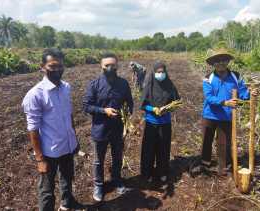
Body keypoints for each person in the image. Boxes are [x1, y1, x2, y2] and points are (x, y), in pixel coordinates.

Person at [22, 48, 83, 211]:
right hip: (49, 151)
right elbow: (33, 129)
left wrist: (74, 139)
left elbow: (69, 115)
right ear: (42, 67)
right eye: (52, 66)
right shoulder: (35, 94)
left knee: (67, 178)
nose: (57, 70)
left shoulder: (66, 87)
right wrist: (40, 159)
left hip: (67, 145)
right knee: (47, 190)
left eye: (60, 66)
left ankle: (67, 203)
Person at [193, 48, 259, 175]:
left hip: (227, 116)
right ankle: (205, 164)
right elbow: (209, 97)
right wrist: (225, 102)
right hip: (210, 115)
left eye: (223, 60)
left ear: (227, 61)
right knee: (206, 140)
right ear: (213, 64)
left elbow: (243, 93)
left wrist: (251, 94)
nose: (220, 63)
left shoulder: (236, 76)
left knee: (224, 143)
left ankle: (223, 168)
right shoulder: (208, 78)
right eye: (217, 61)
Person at [83, 52, 133, 202]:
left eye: (113, 65)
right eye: (107, 65)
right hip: (100, 129)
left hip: (118, 128)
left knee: (117, 157)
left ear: (117, 65)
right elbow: (86, 106)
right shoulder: (95, 84)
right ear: (101, 66)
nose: (110, 68)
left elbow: (129, 102)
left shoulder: (123, 84)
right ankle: (99, 185)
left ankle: (116, 180)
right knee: (98, 160)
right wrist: (103, 110)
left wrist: (128, 114)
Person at [140, 61, 180, 183]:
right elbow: (143, 105)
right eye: (158, 72)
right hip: (151, 123)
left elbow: (177, 100)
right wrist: (153, 109)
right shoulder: (149, 85)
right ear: (154, 72)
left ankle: (162, 171)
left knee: (163, 148)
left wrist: (170, 107)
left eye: (162, 72)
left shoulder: (170, 85)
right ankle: (148, 173)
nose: (160, 74)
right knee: (149, 149)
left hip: (165, 123)